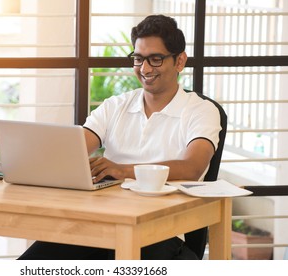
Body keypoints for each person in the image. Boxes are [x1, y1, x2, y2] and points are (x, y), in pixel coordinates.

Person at [18, 14, 221, 260]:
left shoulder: (201, 110)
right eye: (138, 59)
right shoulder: (116, 105)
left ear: (179, 61)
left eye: (155, 59)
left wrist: (123, 170)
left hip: (160, 232)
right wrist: (29, 160)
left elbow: (192, 167)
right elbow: (74, 149)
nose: (145, 69)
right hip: (101, 223)